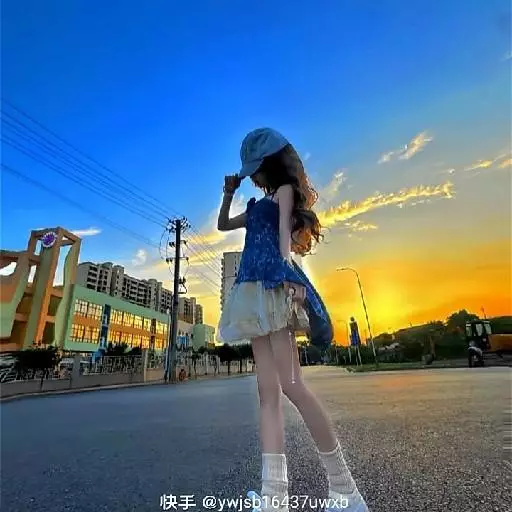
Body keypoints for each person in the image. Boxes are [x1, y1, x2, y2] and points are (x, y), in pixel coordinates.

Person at [217, 128, 369, 512]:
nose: (253, 176)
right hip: (250, 290)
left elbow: (284, 241)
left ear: (269, 163)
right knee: (267, 392)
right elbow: (222, 225)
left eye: (255, 168)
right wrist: (229, 192)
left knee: (292, 385)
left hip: (272, 287)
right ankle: (274, 498)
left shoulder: (283, 192)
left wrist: (291, 279)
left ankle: (346, 491)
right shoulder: (256, 205)